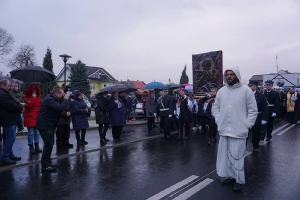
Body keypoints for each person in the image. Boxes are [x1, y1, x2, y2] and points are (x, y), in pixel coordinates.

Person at [214, 67, 257, 192]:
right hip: (224, 130)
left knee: (237, 157)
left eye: (232, 74)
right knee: (226, 157)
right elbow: (216, 108)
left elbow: (253, 110)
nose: (229, 76)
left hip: (239, 130)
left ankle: (238, 180)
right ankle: (229, 176)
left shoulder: (246, 91)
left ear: (237, 75)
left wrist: (247, 125)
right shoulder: (221, 91)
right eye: (227, 74)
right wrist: (218, 120)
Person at [37, 86, 70, 172]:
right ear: (56, 94)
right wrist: (65, 99)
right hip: (45, 125)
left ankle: (48, 161)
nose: (63, 96)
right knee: (48, 145)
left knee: (50, 144)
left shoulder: (53, 98)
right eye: (62, 94)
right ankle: (45, 165)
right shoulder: (49, 100)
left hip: (49, 125)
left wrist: (64, 98)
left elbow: (59, 106)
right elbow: (60, 108)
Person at [0, 79, 24, 165]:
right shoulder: (2, 94)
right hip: (8, 119)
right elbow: (11, 104)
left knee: (8, 138)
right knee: (11, 138)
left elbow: (13, 102)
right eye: (8, 85)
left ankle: (9, 154)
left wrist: (19, 105)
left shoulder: (5, 93)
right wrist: (20, 107)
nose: (10, 87)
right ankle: (5, 157)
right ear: (2, 85)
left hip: (9, 119)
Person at [247, 81, 268, 152]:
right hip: (246, 117)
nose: (249, 87)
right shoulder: (245, 95)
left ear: (255, 86)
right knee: (245, 133)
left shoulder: (260, 96)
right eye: (249, 86)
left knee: (256, 133)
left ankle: (255, 146)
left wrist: (264, 118)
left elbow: (265, 107)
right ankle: (243, 147)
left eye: (251, 85)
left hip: (257, 117)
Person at [23, 84, 43, 154]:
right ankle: (31, 147)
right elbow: (28, 106)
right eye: (33, 91)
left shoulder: (39, 98)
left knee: (37, 133)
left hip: (37, 118)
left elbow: (41, 106)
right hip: (30, 118)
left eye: (35, 91)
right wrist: (33, 99)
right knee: (30, 133)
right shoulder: (26, 98)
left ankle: (36, 146)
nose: (34, 93)